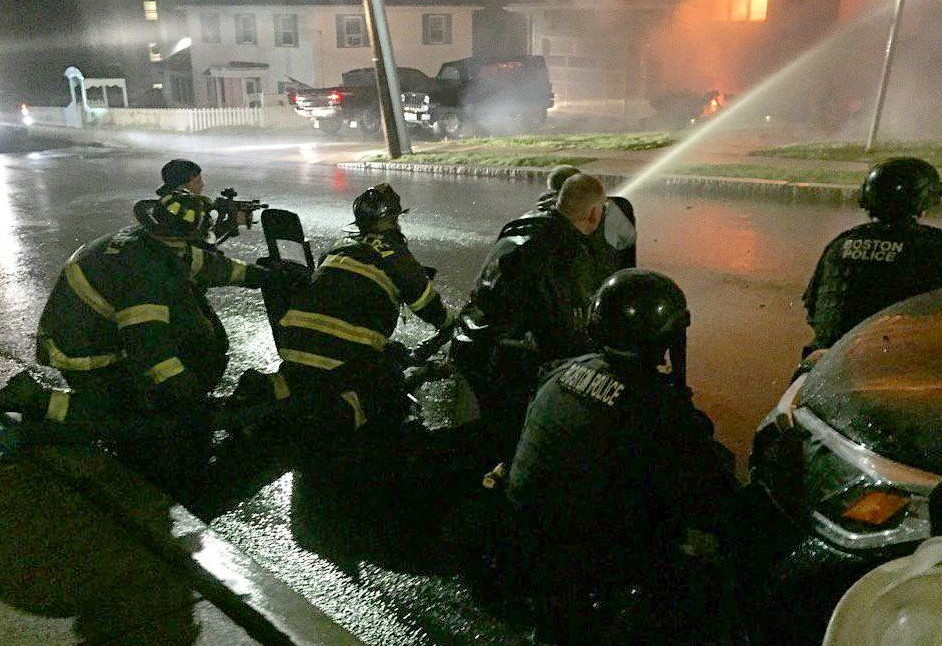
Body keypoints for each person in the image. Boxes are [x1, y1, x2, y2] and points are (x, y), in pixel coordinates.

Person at [505, 269, 736, 645]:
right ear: (662, 339)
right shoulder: (659, 408)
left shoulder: (559, 371)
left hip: (528, 532)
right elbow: (705, 492)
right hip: (587, 558)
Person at [0, 190, 277, 484]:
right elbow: (149, 346)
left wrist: (257, 276)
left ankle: (49, 400)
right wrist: (184, 390)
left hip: (82, 332)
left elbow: (204, 264)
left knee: (147, 392)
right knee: (125, 415)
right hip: (83, 353)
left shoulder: (147, 241)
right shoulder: (147, 273)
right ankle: (36, 400)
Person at [275, 183, 450, 440]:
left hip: (293, 347)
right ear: (393, 219)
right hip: (343, 358)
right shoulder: (397, 255)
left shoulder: (338, 247)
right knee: (389, 387)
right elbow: (428, 306)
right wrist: (451, 324)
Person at [451, 173, 606, 458]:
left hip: (469, 346)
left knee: (478, 443)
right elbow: (565, 334)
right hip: (504, 363)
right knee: (513, 444)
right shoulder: (568, 253)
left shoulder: (522, 228)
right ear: (595, 214)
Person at [803, 157, 942, 354]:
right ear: (921, 201)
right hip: (886, 363)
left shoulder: (840, 244)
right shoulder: (929, 246)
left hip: (824, 362)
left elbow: (814, 307)